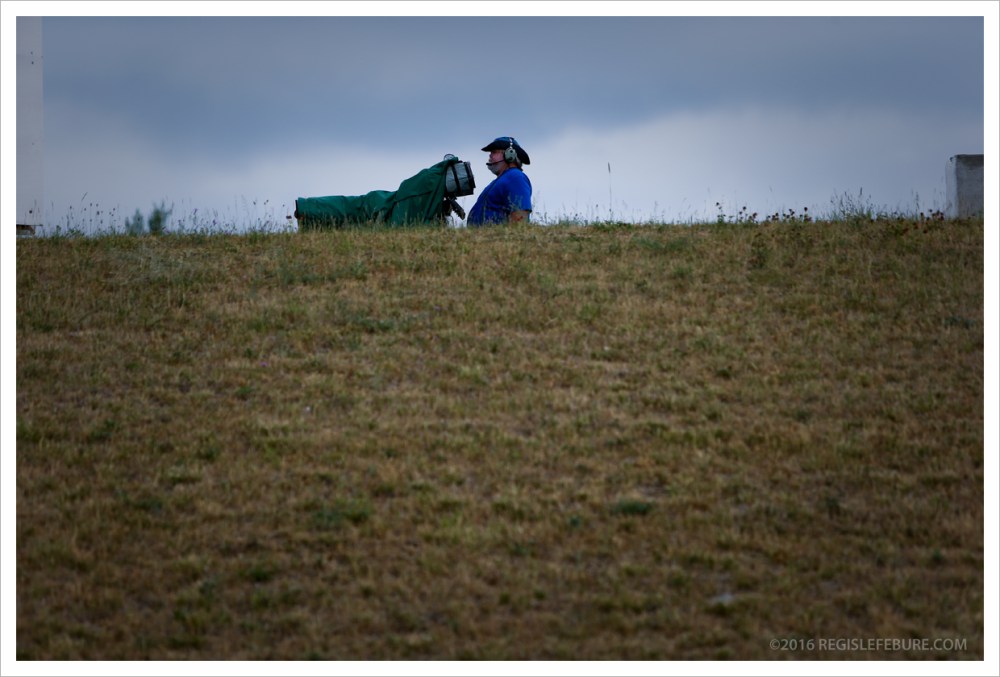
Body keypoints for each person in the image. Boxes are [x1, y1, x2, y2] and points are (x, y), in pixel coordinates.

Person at [466, 136, 532, 227]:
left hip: (497, 240)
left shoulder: (516, 177)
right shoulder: (500, 180)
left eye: (494, 152)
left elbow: (520, 216)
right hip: (483, 239)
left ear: (510, 154)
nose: (490, 155)